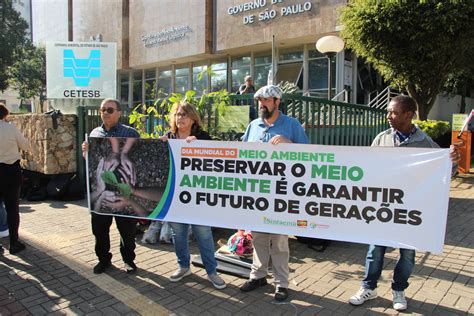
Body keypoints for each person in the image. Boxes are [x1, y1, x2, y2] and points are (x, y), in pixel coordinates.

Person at [348, 95, 461, 311]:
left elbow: (444, 171)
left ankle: (398, 291)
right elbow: (368, 168)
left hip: (409, 209)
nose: (389, 116)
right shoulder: (381, 139)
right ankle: (368, 288)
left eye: (394, 112)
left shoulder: (425, 142)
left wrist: (453, 161)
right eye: (389, 111)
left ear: (408, 115)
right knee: (375, 250)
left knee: (407, 253)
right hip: (382, 208)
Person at [239, 85, 309, 301]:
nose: (262, 104)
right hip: (258, 191)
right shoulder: (253, 125)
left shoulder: (291, 124)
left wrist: (290, 144)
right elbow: (241, 152)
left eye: (267, 100)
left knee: (279, 240)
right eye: (260, 100)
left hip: (281, 192)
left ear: (278, 102)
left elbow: (309, 153)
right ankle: (258, 275)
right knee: (258, 236)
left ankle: (281, 283)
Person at [160, 101, 226, 290]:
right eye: (178, 114)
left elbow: (216, 161)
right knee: (178, 234)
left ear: (193, 118)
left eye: (184, 115)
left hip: (197, 197)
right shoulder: (169, 137)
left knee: (203, 233)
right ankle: (183, 267)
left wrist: (200, 146)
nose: (180, 118)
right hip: (174, 196)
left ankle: (211, 271)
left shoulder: (203, 137)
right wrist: (159, 146)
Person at [82, 98, 140, 274]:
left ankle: (128, 260)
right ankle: (103, 259)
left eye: (109, 110)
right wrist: (86, 153)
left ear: (119, 113)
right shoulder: (94, 133)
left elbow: (139, 159)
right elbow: (90, 163)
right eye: (102, 110)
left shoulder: (130, 133)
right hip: (100, 191)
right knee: (99, 229)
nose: (105, 113)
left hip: (124, 191)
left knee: (127, 231)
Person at [0, 103, 30, 255]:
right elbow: (25, 145)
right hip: (10, 171)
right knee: (12, 209)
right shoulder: (10, 128)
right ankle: (14, 243)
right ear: (5, 115)